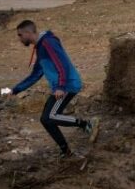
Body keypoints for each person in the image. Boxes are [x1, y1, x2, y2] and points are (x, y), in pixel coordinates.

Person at [6, 20, 100, 158]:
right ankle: (65, 151)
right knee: (46, 120)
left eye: (20, 35)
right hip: (60, 87)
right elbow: (35, 75)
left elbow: (62, 64)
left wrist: (61, 86)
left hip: (67, 85)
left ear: (28, 33)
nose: (19, 38)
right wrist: (15, 90)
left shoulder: (48, 43)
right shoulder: (40, 47)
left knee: (50, 116)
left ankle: (87, 124)